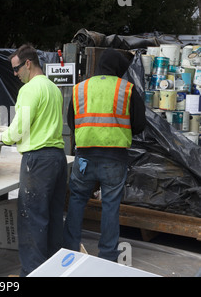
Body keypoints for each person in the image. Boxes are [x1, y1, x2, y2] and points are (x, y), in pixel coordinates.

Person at [0, 44, 67, 276]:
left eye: (16, 69)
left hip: (38, 160)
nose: (15, 74)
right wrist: (10, 129)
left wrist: (1, 135)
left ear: (28, 64)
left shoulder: (30, 89)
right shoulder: (52, 88)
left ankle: (32, 273)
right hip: (56, 158)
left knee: (32, 220)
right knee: (52, 218)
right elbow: (38, 122)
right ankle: (52, 270)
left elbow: (20, 129)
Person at [63, 49, 146, 262]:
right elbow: (138, 125)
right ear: (117, 68)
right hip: (114, 157)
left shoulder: (80, 88)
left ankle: (69, 249)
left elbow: (72, 123)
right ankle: (107, 256)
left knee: (77, 200)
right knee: (110, 205)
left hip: (84, 157)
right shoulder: (126, 89)